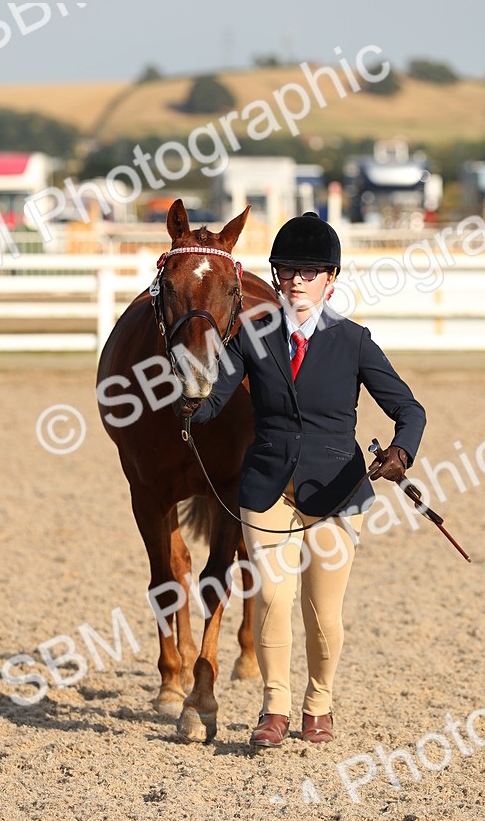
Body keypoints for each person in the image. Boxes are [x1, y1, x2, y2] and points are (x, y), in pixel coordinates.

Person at [179, 212, 426, 748]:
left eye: (309, 272)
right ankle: (275, 709)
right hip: (267, 486)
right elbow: (219, 395)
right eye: (286, 270)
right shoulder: (250, 337)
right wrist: (191, 404)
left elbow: (409, 408)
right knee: (270, 595)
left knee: (323, 610)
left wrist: (402, 453)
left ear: (330, 280)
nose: (295, 280)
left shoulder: (354, 342)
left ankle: (319, 705)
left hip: (336, 491)